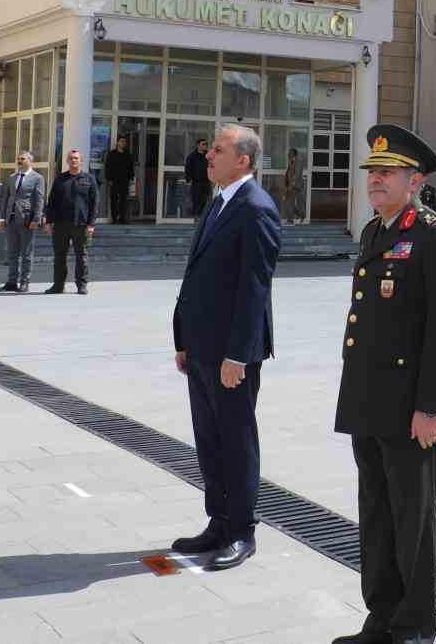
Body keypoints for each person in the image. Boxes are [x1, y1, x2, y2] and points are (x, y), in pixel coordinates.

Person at [332, 125, 436, 644]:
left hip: (412, 409)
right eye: (372, 171)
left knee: (413, 522)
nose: (375, 179)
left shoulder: (435, 234)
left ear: (415, 181)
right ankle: (382, 618)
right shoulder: (375, 231)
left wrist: (430, 407)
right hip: (369, 403)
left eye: (387, 172)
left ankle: (413, 629)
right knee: (376, 517)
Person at [170, 125, 282, 572]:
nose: (209, 155)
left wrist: (238, 354)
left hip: (231, 354)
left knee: (235, 438)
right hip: (201, 346)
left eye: (218, 150)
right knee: (209, 437)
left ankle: (241, 531)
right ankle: (217, 522)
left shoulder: (256, 208)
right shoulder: (219, 202)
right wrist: (183, 339)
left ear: (243, 160)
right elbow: (197, 274)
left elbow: (254, 288)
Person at [44, 149, 97, 295]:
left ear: (81, 161)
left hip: (81, 224)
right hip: (61, 224)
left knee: (82, 255)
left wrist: (91, 224)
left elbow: (94, 203)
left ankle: (81, 285)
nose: (73, 160)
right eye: (71, 158)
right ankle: (58, 285)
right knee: (59, 256)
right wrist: (48, 222)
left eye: (76, 158)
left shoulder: (89, 179)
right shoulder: (60, 179)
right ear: (67, 161)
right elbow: (52, 201)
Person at [0, 151, 45, 293]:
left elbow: (39, 199)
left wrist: (36, 219)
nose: (19, 161)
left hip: (26, 220)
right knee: (12, 253)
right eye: (18, 159)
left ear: (30, 161)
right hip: (11, 219)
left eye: (22, 159)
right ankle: (12, 282)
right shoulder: (12, 177)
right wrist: (1, 218)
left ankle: (24, 282)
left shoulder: (37, 178)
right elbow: (5, 199)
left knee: (26, 253)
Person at [103, 136, 134, 225]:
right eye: (121, 141)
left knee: (123, 200)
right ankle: (114, 219)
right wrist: (109, 179)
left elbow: (131, 167)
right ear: (117, 143)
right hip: (114, 180)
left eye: (124, 142)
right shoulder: (112, 154)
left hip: (125, 180)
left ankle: (122, 218)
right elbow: (108, 167)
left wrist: (131, 178)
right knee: (114, 199)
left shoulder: (128, 155)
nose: (123, 143)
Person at [185, 139, 211, 220]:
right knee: (196, 200)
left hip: (206, 181)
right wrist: (188, 180)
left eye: (206, 144)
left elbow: (213, 166)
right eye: (203, 144)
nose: (205, 146)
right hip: (196, 182)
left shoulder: (208, 156)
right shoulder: (192, 156)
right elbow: (188, 168)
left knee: (204, 200)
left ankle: (201, 217)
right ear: (198, 145)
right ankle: (195, 217)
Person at [283, 146, 305, 225]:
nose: (288, 154)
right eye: (288, 153)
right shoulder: (291, 161)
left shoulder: (299, 161)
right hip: (291, 185)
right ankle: (295, 217)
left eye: (290, 153)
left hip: (297, 186)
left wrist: (292, 184)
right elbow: (289, 173)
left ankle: (297, 217)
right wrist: (287, 184)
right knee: (289, 202)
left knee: (296, 202)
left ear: (294, 154)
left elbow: (297, 174)